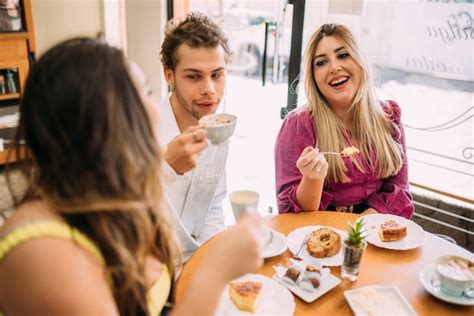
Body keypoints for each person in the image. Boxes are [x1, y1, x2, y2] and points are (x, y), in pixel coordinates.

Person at [0, 38, 262, 315]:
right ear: (88, 125)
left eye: (148, 92)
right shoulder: (39, 251)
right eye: (134, 99)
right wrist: (214, 272)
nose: (154, 109)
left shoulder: (118, 192)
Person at [274, 23, 414, 219]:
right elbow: (290, 214)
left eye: (343, 55)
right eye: (321, 62)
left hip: (376, 229)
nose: (334, 68)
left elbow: (399, 190)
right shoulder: (299, 125)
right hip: (321, 236)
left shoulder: (389, 116)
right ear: (313, 77)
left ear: (359, 61)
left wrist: (360, 229)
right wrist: (312, 179)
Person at [158, 12, 232, 258]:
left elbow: (212, 206)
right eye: (194, 76)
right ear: (169, 75)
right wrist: (165, 167)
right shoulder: (141, 133)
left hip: (197, 256)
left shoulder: (218, 129)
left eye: (217, 75)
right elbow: (121, 219)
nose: (209, 90)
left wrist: (215, 256)